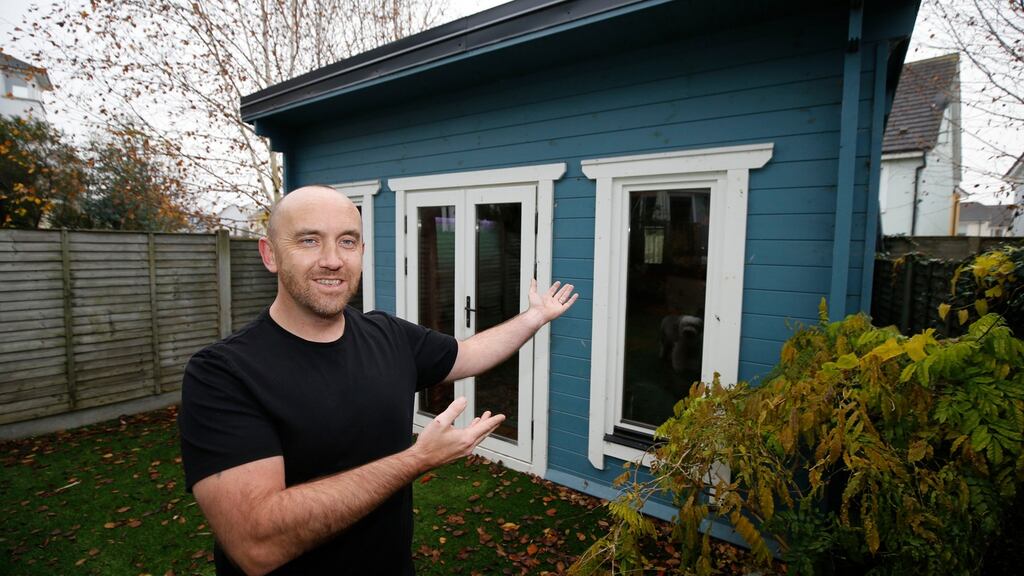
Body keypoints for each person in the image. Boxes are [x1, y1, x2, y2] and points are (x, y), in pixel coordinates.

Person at [178, 185, 578, 575]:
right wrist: (416, 459)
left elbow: (468, 353)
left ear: (363, 252)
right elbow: (255, 546)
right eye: (309, 241)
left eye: (347, 241)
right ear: (271, 255)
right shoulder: (223, 373)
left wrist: (534, 317)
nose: (333, 259)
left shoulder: (387, 334)